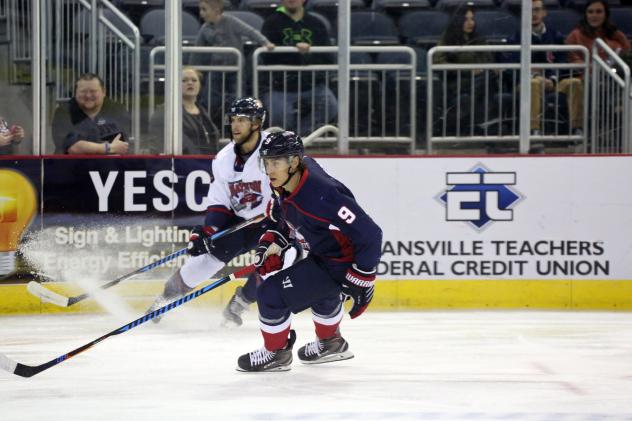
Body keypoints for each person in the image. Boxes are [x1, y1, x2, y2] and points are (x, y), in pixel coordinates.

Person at [237, 130, 383, 372]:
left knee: (270, 295)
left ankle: (276, 354)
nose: (270, 170)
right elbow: (296, 214)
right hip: (325, 253)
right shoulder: (296, 174)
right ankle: (331, 343)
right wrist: (275, 236)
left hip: (338, 263)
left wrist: (362, 278)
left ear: (294, 162)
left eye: (276, 163)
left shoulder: (323, 195)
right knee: (321, 295)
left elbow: (370, 234)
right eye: (267, 163)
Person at [147, 97, 297, 327]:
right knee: (203, 261)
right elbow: (219, 202)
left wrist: (281, 212)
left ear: (256, 123)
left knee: (277, 260)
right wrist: (207, 231)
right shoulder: (224, 159)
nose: (235, 126)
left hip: (273, 221)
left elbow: (291, 183)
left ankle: (240, 303)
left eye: (242, 121)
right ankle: (161, 303)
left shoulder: (273, 149)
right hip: (240, 221)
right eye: (233, 120)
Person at [504, 0, 583, 136]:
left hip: (552, 81)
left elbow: (562, 62)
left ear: (544, 12)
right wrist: (535, 76)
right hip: (525, 83)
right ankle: (534, 130)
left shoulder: (555, 36)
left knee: (574, 83)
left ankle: (577, 129)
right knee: (533, 83)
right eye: (530, 10)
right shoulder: (515, 38)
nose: (534, 14)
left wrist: (552, 79)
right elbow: (512, 66)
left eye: (537, 10)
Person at [190, 0, 275, 126]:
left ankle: (241, 127)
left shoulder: (231, 22)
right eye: (200, 9)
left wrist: (265, 42)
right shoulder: (205, 29)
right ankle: (206, 127)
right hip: (216, 69)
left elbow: (250, 31)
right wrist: (192, 69)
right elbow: (197, 51)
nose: (201, 13)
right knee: (210, 100)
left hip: (236, 70)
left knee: (238, 99)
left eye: (204, 9)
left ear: (216, 11)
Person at [260, 0, 338, 136]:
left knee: (330, 106)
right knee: (279, 116)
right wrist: (294, 51)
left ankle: (297, 137)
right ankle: (287, 140)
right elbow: (266, 58)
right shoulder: (271, 23)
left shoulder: (316, 23)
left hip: (312, 86)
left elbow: (327, 57)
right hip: (279, 87)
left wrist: (309, 53)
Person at [565, 0, 631, 134]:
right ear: (585, 14)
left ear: (606, 14)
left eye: (599, 11)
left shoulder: (616, 35)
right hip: (586, 80)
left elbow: (628, 57)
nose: (594, 15)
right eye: (590, 12)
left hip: (615, 79)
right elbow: (574, 61)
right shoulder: (575, 35)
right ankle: (594, 129)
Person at [434, 6, 495, 135]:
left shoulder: (479, 39)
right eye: (466, 19)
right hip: (458, 82)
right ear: (458, 21)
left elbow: (489, 59)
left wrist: (484, 69)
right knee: (482, 85)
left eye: (472, 19)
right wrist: (467, 71)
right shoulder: (448, 38)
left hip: (480, 81)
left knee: (488, 77)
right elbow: (438, 61)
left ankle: (481, 128)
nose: (470, 23)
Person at [51, 73, 130, 155]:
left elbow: (121, 147)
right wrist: (108, 148)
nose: (88, 95)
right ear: (75, 93)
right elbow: (73, 148)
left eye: (93, 91)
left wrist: (91, 147)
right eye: (83, 91)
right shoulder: (63, 112)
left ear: (104, 92)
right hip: (70, 165)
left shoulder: (116, 110)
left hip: (108, 165)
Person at [148, 67, 220, 154]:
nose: (190, 83)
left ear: (200, 85)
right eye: (184, 80)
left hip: (208, 163)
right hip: (183, 164)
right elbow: (157, 144)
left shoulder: (203, 112)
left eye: (194, 80)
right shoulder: (164, 112)